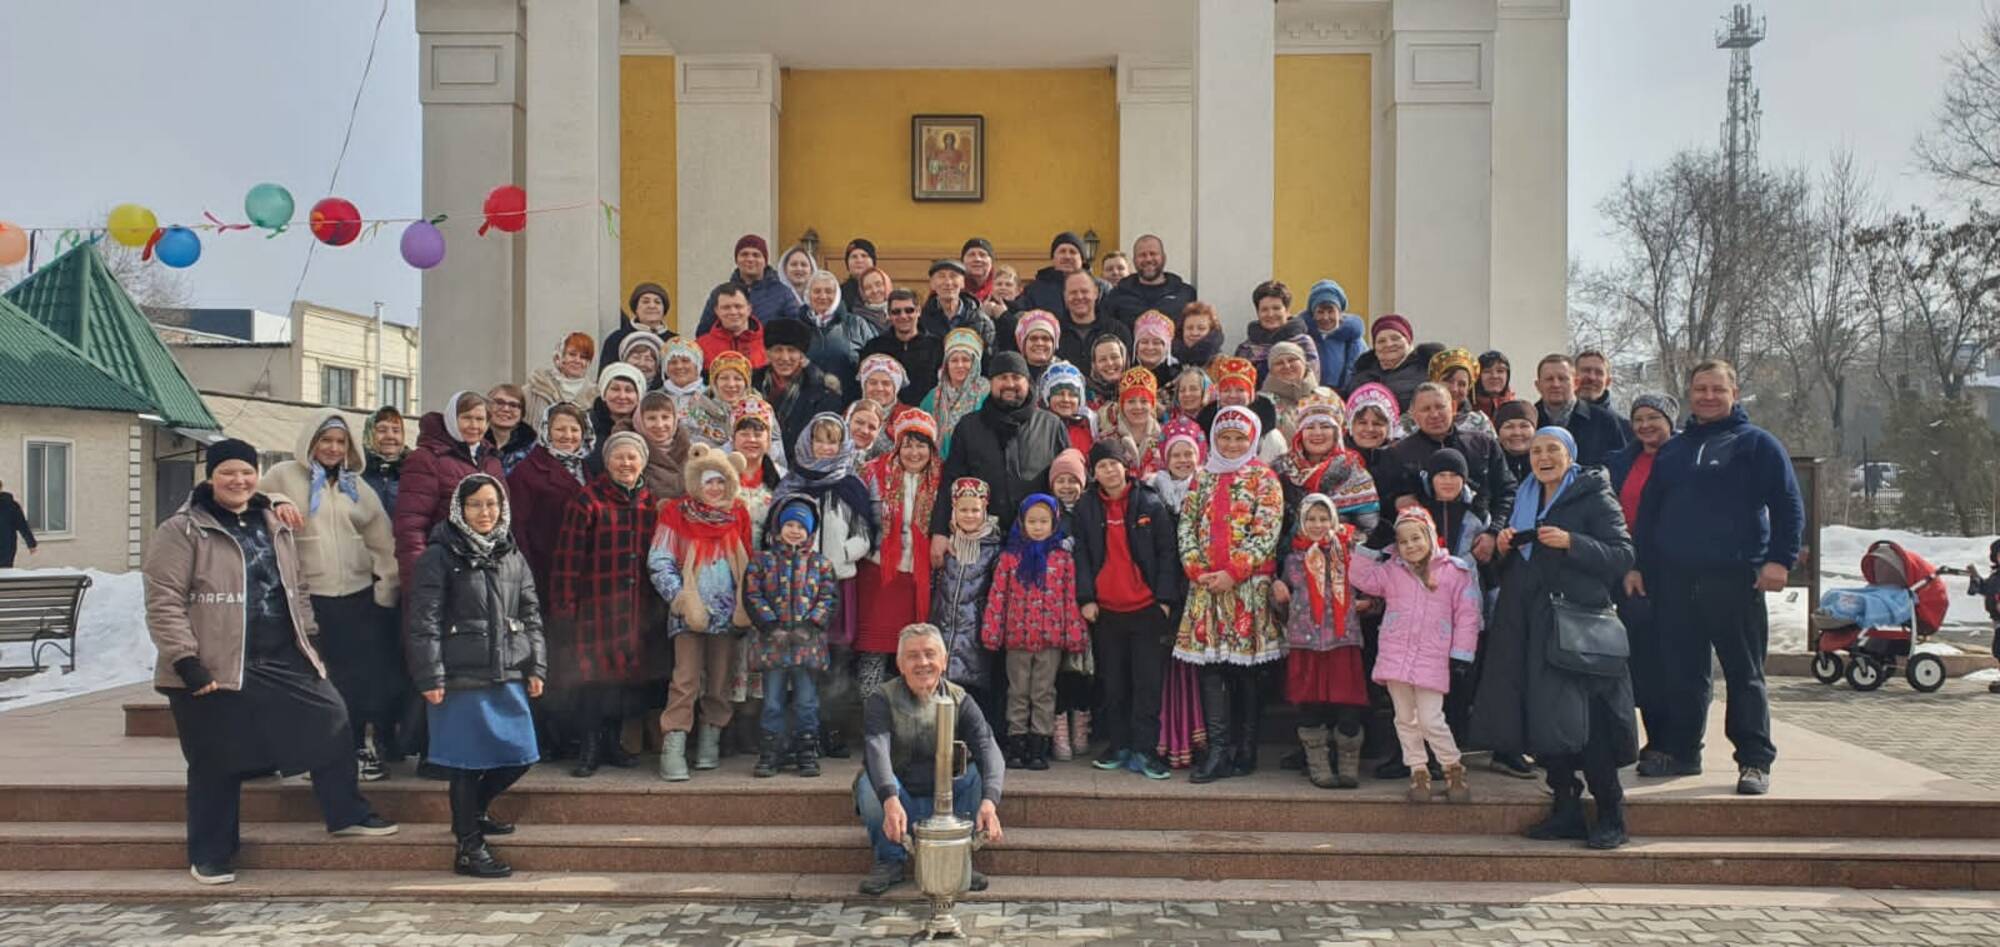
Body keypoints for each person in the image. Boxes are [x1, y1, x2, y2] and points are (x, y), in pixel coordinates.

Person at [144, 439, 398, 886]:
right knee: (214, 758)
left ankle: (345, 812)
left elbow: (295, 585)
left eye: (246, 472)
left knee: (332, 717)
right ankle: (211, 853)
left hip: (279, 653)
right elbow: (164, 601)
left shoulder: (272, 521)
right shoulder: (183, 529)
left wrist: (309, 638)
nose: (238, 480)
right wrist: (186, 660)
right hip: (213, 661)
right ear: (210, 476)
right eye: (228, 472)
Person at [1633, 360, 1802, 796]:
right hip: (1675, 580)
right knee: (1683, 673)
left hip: (1735, 578)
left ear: (1734, 393)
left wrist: (1779, 560)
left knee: (1744, 674)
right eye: (1700, 389)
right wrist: (1639, 565)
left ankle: (1754, 760)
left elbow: (1788, 505)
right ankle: (1683, 751)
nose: (1708, 396)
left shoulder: (1757, 444)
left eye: (1717, 389)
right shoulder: (1674, 450)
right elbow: (1650, 513)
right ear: (1690, 394)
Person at [1473, 426, 1638, 850]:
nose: (1543, 458)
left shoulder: (1593, 494)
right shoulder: (1526, 496)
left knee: (1588, 722)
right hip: (1527, 624)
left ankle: (1611, 813)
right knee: (1543, 718)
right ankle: (1566, 808)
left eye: (1552, 450)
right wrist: (1505, 548)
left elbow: (1622, 555)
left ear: (1569, 455)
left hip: (1576, 628)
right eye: (1536, 451)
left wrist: (1572, 542)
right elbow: (1515, 567)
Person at [406, 473, 545, 878]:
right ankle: (468, 846)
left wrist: (537, 665)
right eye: (475, 505)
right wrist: (430, 675)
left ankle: (474, 811)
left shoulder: (511, 553)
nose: (485, 513)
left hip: (507, 671)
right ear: (459, 509)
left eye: (492, 504)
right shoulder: (439, 555)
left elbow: (531, 614)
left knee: (521, 755)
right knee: (466, 763)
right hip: (459, 676)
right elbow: (424, 621)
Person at [262, 411, 403, 782]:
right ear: (310, 442)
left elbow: (382, 542)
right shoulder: (284, 475)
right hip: (309, 598)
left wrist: (385, 591)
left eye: (341, 442)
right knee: (315, 679)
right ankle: (318, 753)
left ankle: (355, 747)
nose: (333, 448)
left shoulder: (357, 487)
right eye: (326, 440)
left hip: (356, 597)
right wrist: (276, 502)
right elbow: (255, 499)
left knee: (357, 679)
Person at [1176, 405, 1286, 783]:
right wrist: (1198, 569)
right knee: (1211, 670)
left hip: (1246, 589)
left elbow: (1266, 530)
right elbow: (1187, 526)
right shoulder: (1202, 477)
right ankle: (1218, 751)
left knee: (1246, 672)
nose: (1233, 443)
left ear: (1252, 439)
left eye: (1240, 437)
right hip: (1207, 588)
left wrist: (1234, 572)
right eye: (1225, 437)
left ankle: (1246, 748)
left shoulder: (1264, 478)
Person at [855, 623, 1006, 897]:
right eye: (913, 656)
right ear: (900, 664)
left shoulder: (961, 699)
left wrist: (990, 801)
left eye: (930, 654)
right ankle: (890, 860)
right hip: (901, 800)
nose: (922, 663)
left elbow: (988, 748)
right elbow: (876, 748)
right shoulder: (881, 699)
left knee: (976, 775)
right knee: (868, 783)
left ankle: (959, 857)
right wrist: (889, 799)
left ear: (944, 661)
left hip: (950, 800)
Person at [1349, 506, 1483, 803]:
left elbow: (1468, 616)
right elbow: (1360, 578)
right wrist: (1371, 547)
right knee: (1405, 719)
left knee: (1431, 719)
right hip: (1396, 656)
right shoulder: (1392, 571)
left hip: (1432, 658)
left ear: (1430, 536)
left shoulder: (1454, 572)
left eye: (1416, 538)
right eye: (1403, 541)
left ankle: (1452, 767)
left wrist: (1461, 654)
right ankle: (1418, 771)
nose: (1410, 546)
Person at [547, 430, 657, 778]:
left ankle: (612, 742)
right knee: (592, 681)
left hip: (635, 610)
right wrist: (564, 608)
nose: (626, 463)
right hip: (595, 609)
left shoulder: (650, 503)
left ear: (642, 462)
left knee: (623, 681)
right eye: (618, 457)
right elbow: (567, 560)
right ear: (606, 461)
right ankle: (589, 746)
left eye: (632, 457)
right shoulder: (587, 500)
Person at [1073, 441, 1182, 780]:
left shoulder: (1149, 502)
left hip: (1147, 608)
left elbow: (1167, 552)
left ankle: (1145, 750)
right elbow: (1080, 555)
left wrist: (1164, 600)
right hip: (1106, 610)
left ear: (1126, 466)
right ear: (1094, 472)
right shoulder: (1086, 507)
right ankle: (1118, 745)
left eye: (1113, 464)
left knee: (1147, 684)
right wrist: (1085, 598)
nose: (1109, 471)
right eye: (1101, 466)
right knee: (1113, 683)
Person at [649, 443, 754, 782]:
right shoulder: (676, 514)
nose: (715, 488)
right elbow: (660, 560)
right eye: (709, 481)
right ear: (697, 482)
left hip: (727, 613)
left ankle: (711, 738)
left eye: (721, 481)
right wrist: (679, 597)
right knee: (685, 678)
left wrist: (746, 601)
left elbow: (748, 559)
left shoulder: (737, 514)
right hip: (689, 613)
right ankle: (674, 745)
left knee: (720, 679)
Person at [506, 403, 592, 755]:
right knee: (550, 658)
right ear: (546, 431)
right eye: (560, 429)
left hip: (585, 577)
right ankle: (549, 736)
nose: (567, 436)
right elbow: (518, 528)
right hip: (544, 573)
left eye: (574, 429)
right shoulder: (529, 471)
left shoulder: (590, 465)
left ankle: (576, 732)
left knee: (578, 658)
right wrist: (526, 578)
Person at [981, 494, 1088, 770]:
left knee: (1043, 692)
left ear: (1054, 523)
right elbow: (998, 597)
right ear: (1022, 522)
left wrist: (1074, 633)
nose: (1038, 527)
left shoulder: (1062, 559)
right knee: (1017, 692)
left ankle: (1039, 745)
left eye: (1043, 521)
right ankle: (1017, 744)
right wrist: (992, 631)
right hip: (1016, 638)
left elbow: (1069, 599)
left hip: (1049, 639)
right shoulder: (1009, 558)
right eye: (1032, 521)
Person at [770, 414, 879, 671]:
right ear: (807, 443)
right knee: (801, 641)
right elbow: (774, 527)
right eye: (819, 441)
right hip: (797, 579)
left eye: (832, 442)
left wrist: (844, 553)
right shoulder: (792, 482)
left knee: (837, 643)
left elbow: (865, 532)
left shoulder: (850, 484)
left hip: (838, 576)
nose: (826, 448)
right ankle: (803, 690)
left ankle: (835, 690)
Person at [1275, 494, 1367, 789]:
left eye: (1324, 518)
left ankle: (1348, 764)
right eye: (1311, 519)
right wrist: (1278, 594)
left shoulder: (1350, 553)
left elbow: (1371, 585)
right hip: (1306, 642)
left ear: (1334, 520)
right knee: (1310, 704)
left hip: (1343, 640)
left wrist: (1370, 602)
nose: (1317, 525)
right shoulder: (1293, 559)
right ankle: (1318, 765)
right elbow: (1282, 601)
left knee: (1348, 703)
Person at [744, 497, 840, 777]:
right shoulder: (761, 562)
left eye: (801, 526)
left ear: (810, 532)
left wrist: (810, 626)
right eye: (790, 525)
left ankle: (806, 751)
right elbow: (752, 595)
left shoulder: (821, 564)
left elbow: (828, 598)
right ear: (778, 528)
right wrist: (770, 625)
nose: (795, 531)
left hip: (807, 646)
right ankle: (771, 752)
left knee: (807, 701)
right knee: (772, 702)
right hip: (772, 645)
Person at [1606, 392, 1678, 763]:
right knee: (1645, 660)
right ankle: (1655, 740)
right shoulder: (1622, 461)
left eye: (1654, 418)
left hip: (1674, 571)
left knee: (1675, 660)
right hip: (1630, 573)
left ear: (1670, 421)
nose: (1646, 425)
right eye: (1639, 419)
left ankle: (1678, 742)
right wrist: (1630, 565)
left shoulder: (1683, 458)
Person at [929, 351, 1069, 539]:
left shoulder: (1051, 425)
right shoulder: (969, 427)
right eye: (1002, 377)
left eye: (1016, 377)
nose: (1009, 384)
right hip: (980, 538)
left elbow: (1066, 479)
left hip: (1037, 538)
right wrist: (940, 532)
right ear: (991, 383)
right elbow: (951, 480)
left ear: (1028, 381)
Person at [855, 410, 943, 692]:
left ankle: (909, 712)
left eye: (921, 446)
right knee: (874, 651)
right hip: (879, 574)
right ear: (897, 446)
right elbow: (855, 516)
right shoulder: (873, 473)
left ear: (932, 449)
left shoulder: (942, 480)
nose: (914, 453)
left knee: (913, 653)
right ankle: (872, 710)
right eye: (908, 445)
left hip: (919, 578)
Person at [1380, 383, 1514, 561]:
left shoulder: (1483, 445)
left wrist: (1494, 533)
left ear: (1453, 407)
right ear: (1413, 414)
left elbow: (1507, 492)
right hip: (1421, 557)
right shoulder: (1398, 454)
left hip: (1478, 552)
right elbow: (1383, 505)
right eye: (1426, 409)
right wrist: (1397, 502)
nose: (1434, 414)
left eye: (1440, 407)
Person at [394, 391, 505, 587]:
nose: (474, 425)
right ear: (451, 419)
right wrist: (420, 582)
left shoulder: (492, 461)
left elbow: (503, 520)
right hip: (443, 573)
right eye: (466, 418)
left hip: (486, 575)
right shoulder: (427, 459)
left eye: (480, 419)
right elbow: (411, 528)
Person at [934, 478, 1004, 717]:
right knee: (943, 699)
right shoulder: (946, 546)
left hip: (976, 637)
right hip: (944, 632)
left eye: (975, 510)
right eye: (963, 510)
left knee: (972, 702)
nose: (970, 515)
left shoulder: (994, 548)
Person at [759, 317, 844, 465]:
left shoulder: (823, 395)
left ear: (802, 355)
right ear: (768, 353)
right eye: (778, 350)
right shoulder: (751, 386)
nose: (785, 358)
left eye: (791, 350)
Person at [1533, 354, 1628, 468]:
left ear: (1576, 383)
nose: (1556, 384)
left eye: (1562, 379)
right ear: (1538, 385)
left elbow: (1620, 466)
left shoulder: (1604, 420)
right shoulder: (1529, 422)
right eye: (1549, 379)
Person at [798, 269, 879, 399]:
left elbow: (875, 363)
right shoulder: (796, 325)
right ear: (808, 295)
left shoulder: (856, 324)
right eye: (817, 291)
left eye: (829, 291)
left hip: (849, 401)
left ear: (837, 295)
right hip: (805, 403)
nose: (823, 296)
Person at [696, 234, 797, 334]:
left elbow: (796, 331)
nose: (750, 259)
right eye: (744, 254)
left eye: (756, 255)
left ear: (765, 261)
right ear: (736, 260)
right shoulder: (720, 294)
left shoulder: (783, 294)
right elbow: (703, 332)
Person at [859, 289, 944, 405]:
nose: (903, 316)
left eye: (909, 310)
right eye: (896, 312)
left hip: (927, 410)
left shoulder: (936, 346)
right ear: (889, 315)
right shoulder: (874, 347)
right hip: (885, 411)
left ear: (918, 311)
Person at [1343, 313, 1443, 411]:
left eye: (1395, 338)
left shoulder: (1426, 368)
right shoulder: (1362, 373)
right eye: (1381, 341)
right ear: (1375, 348)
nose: (1388, 344)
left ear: (1408, 342)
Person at [918, 327, 988, 458]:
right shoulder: (932, 397)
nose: (960, 365)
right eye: (954, 360)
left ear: (975, 364)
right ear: (946, 364)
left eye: (966, 360)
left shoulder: (987, 393)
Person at [1236, 280, 1320, 386]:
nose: (1270, 314)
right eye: (1264, 310)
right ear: (1258, 313)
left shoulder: (1303, 343)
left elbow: (1311, 382)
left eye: (1276, 308)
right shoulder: (1246, 349)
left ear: (1287, 311)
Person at [1103, 234, 1197, 327]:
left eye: (1153, 254)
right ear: (1134, 260)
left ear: (1164, 257)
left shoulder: (1185, 294)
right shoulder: (1116, 295)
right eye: (1142, 255)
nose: (1148, 259)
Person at [1015, 231, 1097, 323]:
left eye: (1073, 252)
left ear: (1082, 259)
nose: (1067, 256)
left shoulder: (1100, 288)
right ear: (1053, 258)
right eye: (1062, 251)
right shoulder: (1033, 291)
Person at [684, 350, 758, 450]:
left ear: (746, 384)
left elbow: (774, 443)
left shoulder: (760, 409)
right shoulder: (696, 411)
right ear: (714, 383)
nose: (731, 384)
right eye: (724, 378)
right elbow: (696, 448)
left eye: (738, 379)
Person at [1100, 367, 1166, 479]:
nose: (1138, 407)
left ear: (1152, 405)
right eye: (1131, 401)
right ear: (1122, 405)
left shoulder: (1165, 437)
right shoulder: (1107, 439)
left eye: (1144, 401)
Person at [1057, 271, 1131, 368]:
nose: (1079, 297)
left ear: (1096, 293)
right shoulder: (1056, 333)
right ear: (1065, 296)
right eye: (1073, 292)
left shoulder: (1117, 330)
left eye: (1084, 291)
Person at [526, 332, 600, 428]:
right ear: (560, 356)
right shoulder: (537, 387)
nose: (577, 360)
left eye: (583, 357)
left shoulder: (595, 396)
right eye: (572, 354)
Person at [918, 258, 994, 351]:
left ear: (963, 283)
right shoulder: (921, 319)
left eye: (953, 276)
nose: (948, 282)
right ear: (932, 284)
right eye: (941, 276)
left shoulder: (981, 321)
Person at [1303, 279, 1365, 391]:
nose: (1325, 317)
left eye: (1331, 311)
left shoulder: (1354, 339)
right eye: (1320, 312)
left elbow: (1364, 372)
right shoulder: (1303, 338)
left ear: (1340, 314)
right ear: (1313, 314)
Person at [587, 363, 646, 475]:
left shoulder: (646, 428)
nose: (622, 396)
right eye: (615, 389)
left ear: (638, 397)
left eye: (629, 390)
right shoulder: (586, 425)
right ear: (604, 394)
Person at [600, 282, 672, 372]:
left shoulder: (673, 341)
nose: (652, 306)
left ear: (664, 309)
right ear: (636, 308)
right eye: (645, 302)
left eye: (657, 302)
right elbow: (606, 374)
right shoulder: (616, 339)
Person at [1423, 347, 1494, 437]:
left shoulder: (1480, 423)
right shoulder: (1416, 419)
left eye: (1462, 384)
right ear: (1435, 383)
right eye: (1449, 381)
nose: (1454, 389)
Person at [697, 283, 769, 371]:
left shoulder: (768, 343)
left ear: (749, 309)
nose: (733, 312)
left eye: (738, 306)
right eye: (726, 307)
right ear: (716, 311)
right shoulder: (700, 348)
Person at [636, 391, 692, 501]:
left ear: (674, 419)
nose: (659, 425)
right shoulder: (632, 454)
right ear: (640, 421)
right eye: (651, 418)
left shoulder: (691, 452)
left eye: (665, 417)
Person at [1261, 341, 1320, 441]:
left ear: (1304, 363)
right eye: (1279, 363)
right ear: (1271, 370)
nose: (1287, 366)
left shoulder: (1325, 398)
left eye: (1292, 360)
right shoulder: (1262, 403)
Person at [1575, 350, 1635, 443]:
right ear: (1572, 377)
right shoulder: (1557, 421)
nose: (1591, 377)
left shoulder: (1625, 429)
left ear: (1608, 382)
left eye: (1599, 373)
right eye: (1585, 371)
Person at [1040, 361, 1097, 457]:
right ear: (1048, 398)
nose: (1066, 399)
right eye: (1059, 393)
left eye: (1072, 395)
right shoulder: (1038, 427)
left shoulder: (1091, 428)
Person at [1965, 540, 2000, 695]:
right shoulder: (1995, 576)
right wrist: (1976, 580)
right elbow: (1987, 589)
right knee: (1998, 649)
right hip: (1998, 620)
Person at [362, 407, 409, 517]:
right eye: (382, 431)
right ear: (369, 433)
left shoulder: (415, 470)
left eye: (396, 431)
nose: (390, 436)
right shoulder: (357, 470)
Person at [485, 384, 538, 475]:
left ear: (521, 413)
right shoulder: (472, 442)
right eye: (499, 402)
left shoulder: (534, 451)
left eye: (513, 405)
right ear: (487, 407)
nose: (506, 409)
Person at [1131, 310, 1180, 390]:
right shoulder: (1125, 373)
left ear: (1166, 347)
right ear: (1136, 345)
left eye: (1156, 342)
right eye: (1144, 342)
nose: (1150, 347)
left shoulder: (1177, 376)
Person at [1494, 399, 1537, 484]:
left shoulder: (1544, 462)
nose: (1517, 433)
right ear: (1498, 433)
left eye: (1524, 426)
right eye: (1509, 427)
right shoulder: (1489, 465)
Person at [1085, 333, 1130, 413]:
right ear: (1094, 365)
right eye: (1102, 359)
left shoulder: (1137, 389)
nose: (1109, 363)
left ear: (1124, 359)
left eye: (1114, 357)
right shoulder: (1085, 395)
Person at [1174, 301, 1226, 370]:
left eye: (1201, 328)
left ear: (1211, 331)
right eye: (1189, 328)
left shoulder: (1223, 365)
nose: (1194, 333)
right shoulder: (1170, 363)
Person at [1015, 309, 1063, 384]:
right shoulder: (1013, 374)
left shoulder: (1065, 373)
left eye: (1045, 338)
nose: (1039, 343)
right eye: (1033, 338)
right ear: (1023, 345)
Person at [660, 337, 708, 412]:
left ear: (697, 366)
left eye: (685, 361)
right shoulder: (654, 398)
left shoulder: (710, 396)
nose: (679, 366)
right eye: (673, 362)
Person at [1473, 351, 1517, 427]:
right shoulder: (1465, 407)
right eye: (1487, 371)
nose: (1494, 376)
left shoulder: (1515, 408)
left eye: (1500, 371)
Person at [0, 476, 34, 567]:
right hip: (7, 546)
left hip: (6, 547)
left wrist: (31, 543)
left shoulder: (11, 505)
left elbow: (22, 525)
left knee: (5, 572)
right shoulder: (12, 505)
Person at [840, 237, 877, 311]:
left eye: (864, 256)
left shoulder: (883, 289)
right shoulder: (838, 293)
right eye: (854, 257)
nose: (859, 260)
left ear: (873, 261)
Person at [853, 267, 895, 331]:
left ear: (887, 285)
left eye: (878, 285)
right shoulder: (857, 320)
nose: (874, 291)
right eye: (868, 288)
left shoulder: (903, 311)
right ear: (862, 292)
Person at [961, 236, 998, 303]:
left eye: (982, 255)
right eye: (971, 255)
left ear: (991, 262)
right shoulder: (954, 290)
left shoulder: (1002, 288)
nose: (977, 259)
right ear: (962, 261)